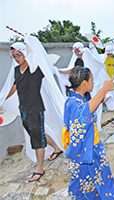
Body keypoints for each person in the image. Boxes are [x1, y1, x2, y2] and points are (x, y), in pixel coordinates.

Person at [5, 41, 63, 182]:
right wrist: (3, 100)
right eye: (14, 56)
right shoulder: (16, 70)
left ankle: (39, 168)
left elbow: (45, 62)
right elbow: (14, 86)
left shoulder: (37, 70)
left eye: (19, 54)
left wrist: (31, 41)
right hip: (23, 109)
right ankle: (57, 148)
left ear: (25, 54)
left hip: (36, 109)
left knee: (37, 139)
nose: (17, 58)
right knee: (37, 134)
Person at [62, 66, 114, 199]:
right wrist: (104, 89)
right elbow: (83, 113)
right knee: (89, 185)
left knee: (95, 183)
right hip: (84, 153)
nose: (93, 83)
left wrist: (99, 100)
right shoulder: (74, 103)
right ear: (84, 83)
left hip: (89, 149)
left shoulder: (77, 99)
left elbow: (87, 110)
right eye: (91, 80)